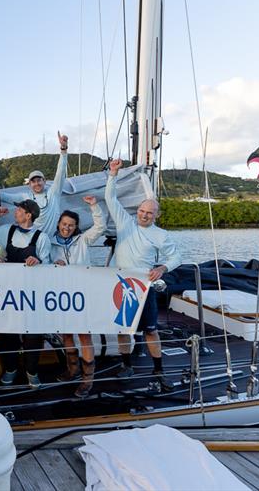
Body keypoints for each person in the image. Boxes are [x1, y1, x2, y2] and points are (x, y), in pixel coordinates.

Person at [105, 158, 181, 391]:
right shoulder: (124, 224)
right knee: (123, 330)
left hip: (144, 288)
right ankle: (126, 364)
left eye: (149, 213)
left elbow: (175, 258)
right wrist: (113, 174)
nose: (144, 215)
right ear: (136, 211)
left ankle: (158, 371)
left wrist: (162, 269)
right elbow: (110, 198)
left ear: (156, 215)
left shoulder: (161, 235)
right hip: (121, 285)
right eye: (141, 210)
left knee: (150, 330)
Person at [0, 199, 50, 388]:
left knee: (33, 335)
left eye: (19, 210)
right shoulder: (8, 230)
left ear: (29, 215)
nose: (15, 212)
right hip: (8, 293)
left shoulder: (42, 238)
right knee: (6, 333)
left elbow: (49, 266)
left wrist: (39, 261)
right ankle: (10, 369)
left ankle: (31, 371)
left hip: (31, 295)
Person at [50, 196, 106, 398]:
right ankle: (72, 371)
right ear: (58, 224)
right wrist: (54, 263)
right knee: (66, 334)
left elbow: (100, 227)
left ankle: (87, 380)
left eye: (71, 225)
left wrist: (93, 206)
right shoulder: (49, 242)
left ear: (76, 227)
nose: (67, 228)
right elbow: (45, 263)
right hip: (60, 295)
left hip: (82, 294)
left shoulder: (83, 240)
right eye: (64, 224)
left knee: (84, 336)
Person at [1, 132, 69, 234]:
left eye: (39, 180)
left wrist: (63, 149)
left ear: (44, 181)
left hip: (53, 239)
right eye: (33, 181)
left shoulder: (53, 193)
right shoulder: (25, 197)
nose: (37, 184)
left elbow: (61, 171)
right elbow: (3, 196)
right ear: (29, 185)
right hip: (34, 241)